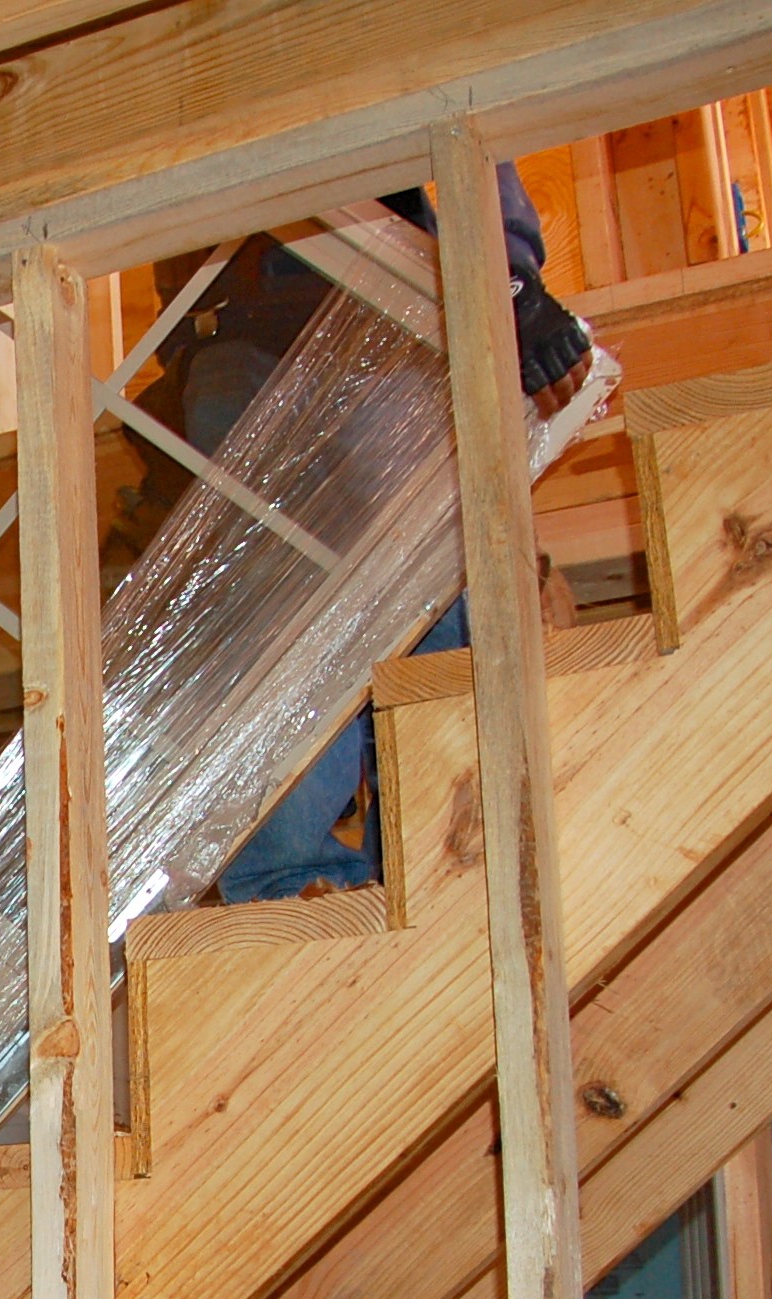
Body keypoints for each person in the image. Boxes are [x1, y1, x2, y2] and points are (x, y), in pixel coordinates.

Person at [153, 169, 594, 904]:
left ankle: (411, 879)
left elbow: (464, 139)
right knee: (298, 626)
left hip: (381, 323)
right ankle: (317, 895)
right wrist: (507, 278)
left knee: (395, 612)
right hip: (269, 332)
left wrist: (508, 280)